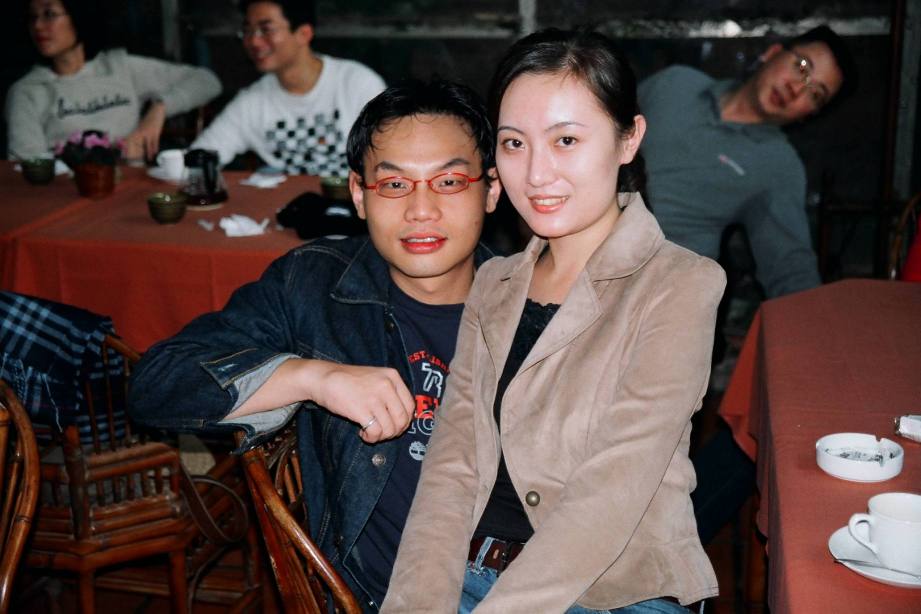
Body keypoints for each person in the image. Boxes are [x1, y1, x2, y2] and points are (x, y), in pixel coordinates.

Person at [382, 29, 724, 613]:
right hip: (471, 577)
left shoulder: (680, 285)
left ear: (628, 139)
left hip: (616, 594)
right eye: (514, 144)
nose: (537, 174)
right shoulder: (494, 284)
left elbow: (611, 490)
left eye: (566, 140)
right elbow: (451, 468)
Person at [128, 78, 501, 611]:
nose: (421, 210)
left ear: (491, 189)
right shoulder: (313, 286)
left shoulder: (535, 302)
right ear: (358, 194)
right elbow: (156, 384)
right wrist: (312, 376)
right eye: (394, 184)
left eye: (448, 181)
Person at [638, 25, 857, 299]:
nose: (796, 88)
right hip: (592, 248)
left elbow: (791, 269)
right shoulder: (676, 84)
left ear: (809, 114)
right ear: (772, 53)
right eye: (801, 67)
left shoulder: (779, 166)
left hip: (664, 290)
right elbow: (600, 127)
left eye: (815, 94)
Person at [6, 0, 221, 161]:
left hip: (133, 191)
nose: (38, 26)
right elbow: (26, 167)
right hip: (66, 197)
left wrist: (160, 108)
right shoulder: (27, 91)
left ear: (79, 14)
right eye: (32, 17)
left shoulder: (119, 67)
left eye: (49, 14)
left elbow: (207, 81)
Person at [190, 0, 385, 176]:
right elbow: (199, 157)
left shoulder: (358, 84)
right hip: (287, 202)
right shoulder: (252, 102)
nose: (254, 41)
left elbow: (390, 156)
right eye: (248, 31)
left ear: (304, 34)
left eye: (266, 30)